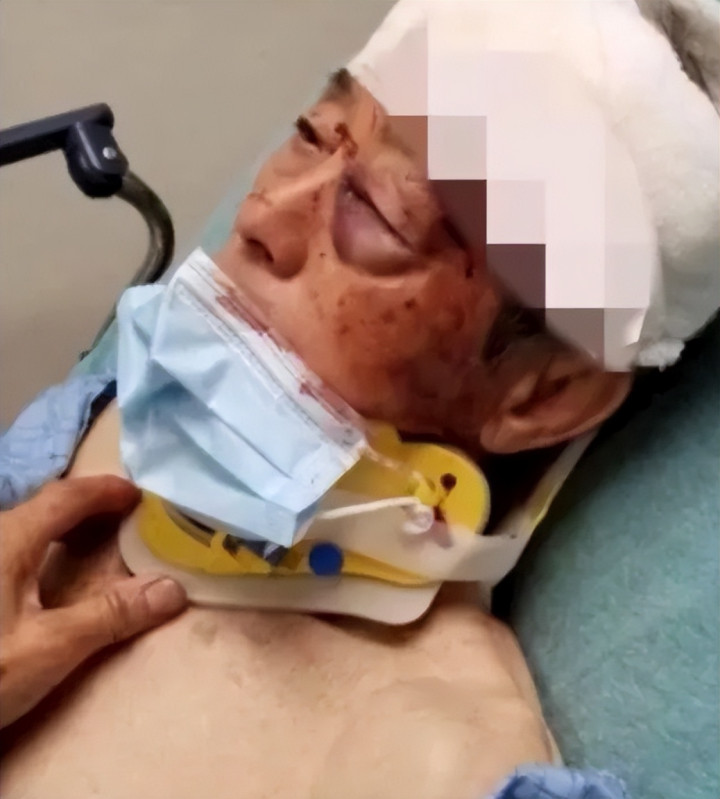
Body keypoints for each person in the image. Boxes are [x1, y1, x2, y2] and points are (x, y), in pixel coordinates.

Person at [1, 0, 717, 796]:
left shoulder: (435, 761)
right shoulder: (89, 427)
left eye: (379, 212)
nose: (263, 213)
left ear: (544, 396)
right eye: (311, 135)